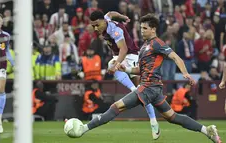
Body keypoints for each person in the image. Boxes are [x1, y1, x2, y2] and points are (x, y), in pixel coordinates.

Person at [77, 13, 222, 143]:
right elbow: (141, 70)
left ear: (153, 29)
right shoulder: (144, 47)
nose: (142, 31)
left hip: (148, 87)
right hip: (154, 89)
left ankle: (83, 129)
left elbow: (175, 57)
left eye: (145, 28)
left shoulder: (157, 43)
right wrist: (125, 68)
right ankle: (207, 130)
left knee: (116, 107)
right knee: (172, 117)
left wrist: (185, 73)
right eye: (141, 28)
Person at [89, 10, 160, 139]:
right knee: (116, 70)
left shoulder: (114, 30)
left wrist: (117, 64)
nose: (95, 28)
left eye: (97, 25)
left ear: (103, 22)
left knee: (141, 91)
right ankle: (134, 90)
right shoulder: (106, 19)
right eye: (93, 26)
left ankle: (153, 121)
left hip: (131, 55)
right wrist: (123, 17)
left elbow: (124, 49)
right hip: (119, 55)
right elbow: (110, 13)